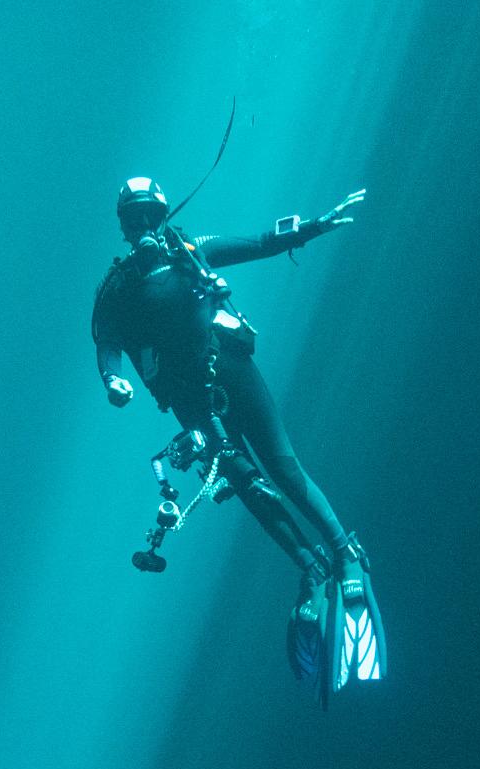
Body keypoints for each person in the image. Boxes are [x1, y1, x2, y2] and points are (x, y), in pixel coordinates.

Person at [92, 177, 384, 692]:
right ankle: (311, 568)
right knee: (249, 486)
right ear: (123, 228)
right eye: (133, 220)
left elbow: (257, 244)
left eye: (149, 216)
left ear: (161, 216)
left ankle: (344, 554)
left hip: (227, 369)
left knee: (282, 466)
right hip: (191, 402)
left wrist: (314, 226)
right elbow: (107, 342)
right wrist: (111, 378)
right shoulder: (118, 290)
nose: (142, 228)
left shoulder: (189, 252)